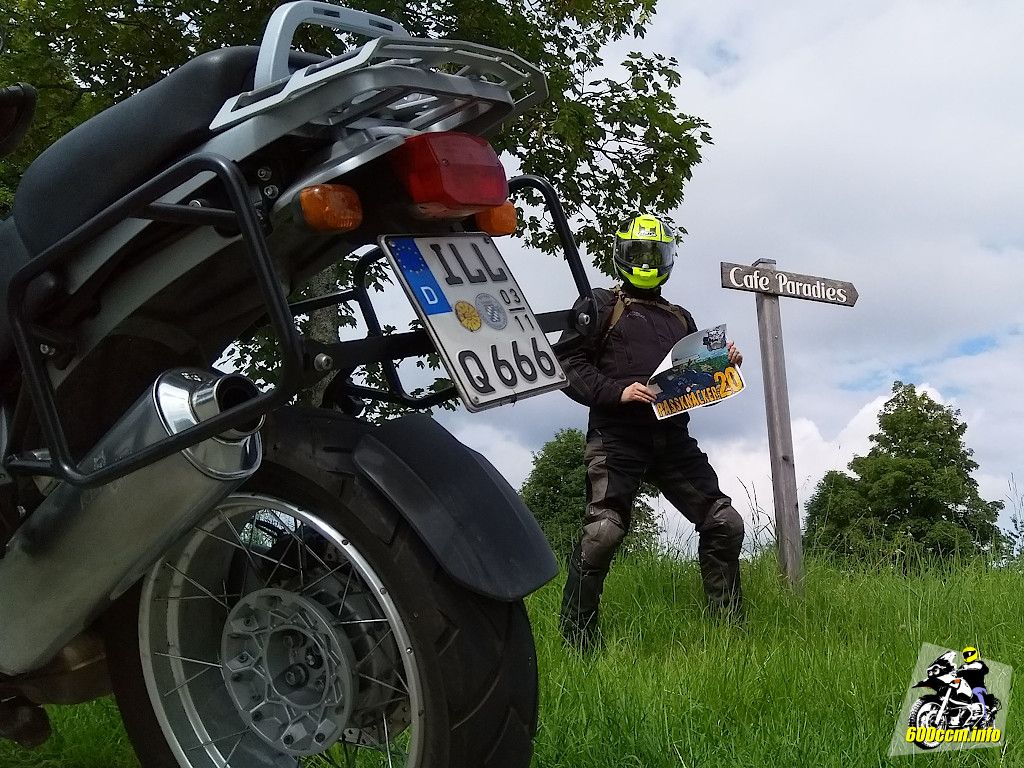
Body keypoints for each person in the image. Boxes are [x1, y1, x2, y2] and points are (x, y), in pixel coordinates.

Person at [554, 213, 745, 651]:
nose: (646, 260)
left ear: (668, 258)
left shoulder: (681, 318)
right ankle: (577, 642)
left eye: (654, 253)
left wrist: (724, 366)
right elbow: (565, 363)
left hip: (673, 438)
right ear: (621, 255)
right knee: (603, 532)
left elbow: (700, 387)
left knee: (724, 521)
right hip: (616, 438)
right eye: (638, 252)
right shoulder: (599, 304)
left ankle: (730, 635)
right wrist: (616, 392)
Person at [958, 646, 991, 723]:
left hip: (978, 687)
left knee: (977, 691)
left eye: (970, 654)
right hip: (966, 689)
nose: (968, 655)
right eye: (966, 654)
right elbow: (957, 674)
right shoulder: (963, 666)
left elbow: (986, 670)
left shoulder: (979, 664)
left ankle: (984, 715)